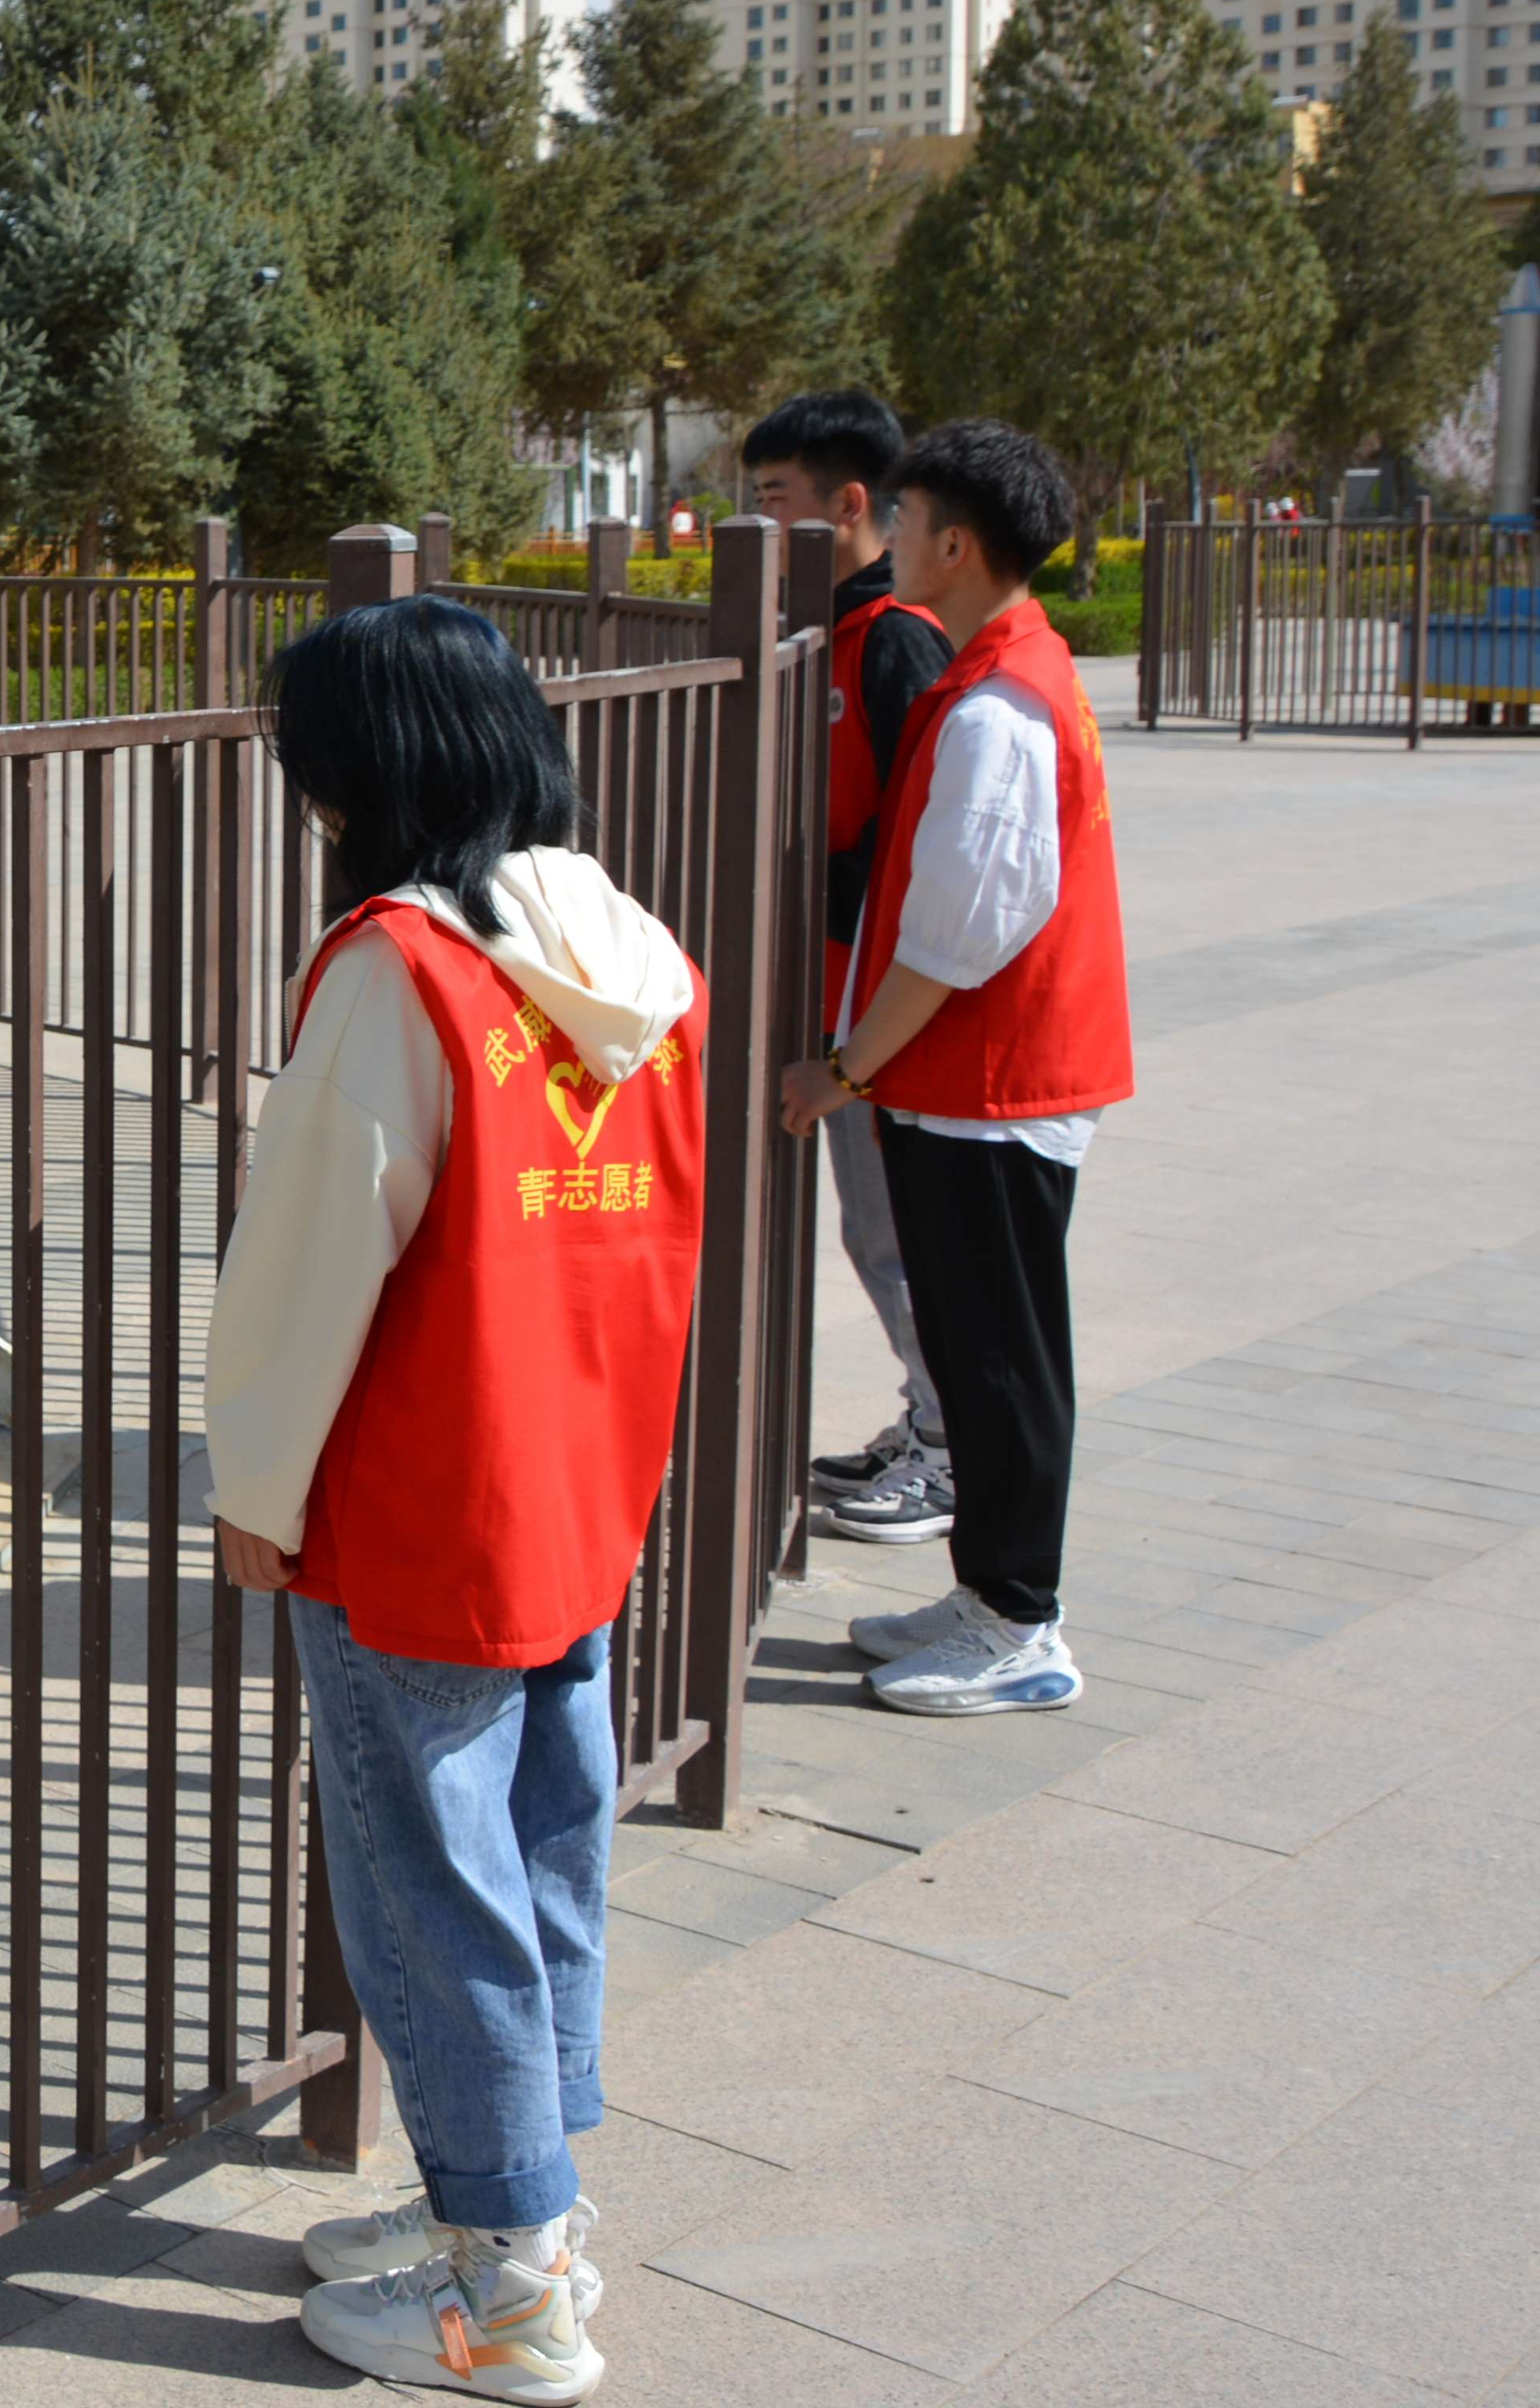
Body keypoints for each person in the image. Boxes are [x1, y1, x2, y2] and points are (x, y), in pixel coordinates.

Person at [209, 596, 709, 2405]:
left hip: (422, 1499)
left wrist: (255, 1479)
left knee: (432, 1882)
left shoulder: (396, 970)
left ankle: (507, 2293)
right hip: (579, 1474)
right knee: (549, 1847)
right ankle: (526, 2207)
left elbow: (307, 1260)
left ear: (361, 776)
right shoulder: (633, 954)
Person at [776, 420, 1130, 1716]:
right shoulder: (1006, 670)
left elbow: (954, 936)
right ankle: (987, 1596)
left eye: (911, 518)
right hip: (977, 1084)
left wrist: (843, 1071)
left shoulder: (998, 707)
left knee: (1000, 1365)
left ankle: (1021, 1624)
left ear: (956, 545)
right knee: (983, 1356)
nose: (894, 538)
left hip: (995, 1088)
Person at [737, 390, 956, 1545]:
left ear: (850, 503)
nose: (759, 524)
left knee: (894, 1235)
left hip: (878, 1011)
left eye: (775, 499)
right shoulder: (821, 629)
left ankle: (948, 1451)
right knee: (876, 1231)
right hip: (838, 993)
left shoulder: (896, 641)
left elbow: (916, 841)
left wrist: (796, 887)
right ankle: (930, 1419)